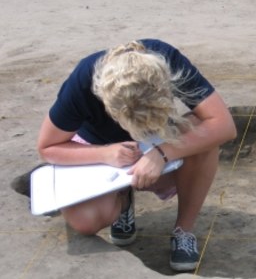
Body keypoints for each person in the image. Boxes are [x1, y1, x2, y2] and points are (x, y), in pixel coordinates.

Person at [36, 39, 237, 272]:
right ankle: (122, 198)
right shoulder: (84, 80)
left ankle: (183, 230)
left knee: (205, 138)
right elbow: (47, 147)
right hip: (98, 153)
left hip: (159, 142)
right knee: (85, 221)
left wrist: (162, 153)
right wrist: (104, 154)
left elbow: (224, 125)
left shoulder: (169, 61)